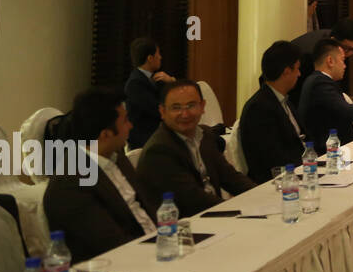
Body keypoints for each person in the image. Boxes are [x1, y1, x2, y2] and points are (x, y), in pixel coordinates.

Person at [44, 89, 160, 261]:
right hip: (119, 270)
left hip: (156, 247)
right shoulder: (70, 186)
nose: (131, 125)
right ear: (105, 134)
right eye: (125, 121)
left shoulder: (116, 155)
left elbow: (146, 207)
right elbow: (114, 246)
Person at [137, 81, 256, 216]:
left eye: (191, 105)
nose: (185, 114)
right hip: (184, 226)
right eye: (176, 108)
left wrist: (260, 195)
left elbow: (231, 177)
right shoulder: (159, 150)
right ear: (162, 112)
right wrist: (239, 212)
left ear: (202, 106)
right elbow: (194, 201)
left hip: (213, 214)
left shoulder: (204, 135)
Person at [237, 40, 306, 183]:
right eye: (297, 69)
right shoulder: (259, 108)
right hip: (277, 183)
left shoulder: (283, 100)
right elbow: (272, 157)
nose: (299, 74)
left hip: (299, 172)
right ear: (287, 71)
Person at [298, 38, 353, 148]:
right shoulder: (320, 83)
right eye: (342, 60)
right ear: (330, 61)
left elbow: (342, 113)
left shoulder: (323, 81)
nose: (345, 66)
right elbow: (349, 112)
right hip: (329, 153)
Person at [289, 17, 353, 104]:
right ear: (333, 40)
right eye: (347, 49)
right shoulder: (313, 54)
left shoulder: (336, 44)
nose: (350, 54)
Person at [123, 37, 175, 150]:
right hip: (146, 139)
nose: (161, 57)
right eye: (158, 54)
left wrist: (171, 81)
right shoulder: (135, 84)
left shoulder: (157, 78)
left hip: (160, 133)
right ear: (150, 58)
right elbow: (158, 111)